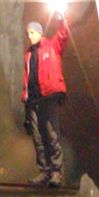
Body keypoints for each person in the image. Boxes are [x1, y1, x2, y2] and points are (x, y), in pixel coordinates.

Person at [22, 12, 70, 187]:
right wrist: (25, 97)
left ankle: (57, 172)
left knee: (51, 134)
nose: (29, 36)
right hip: (33, 99)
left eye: (32, 33)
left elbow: (63, 33)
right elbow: (28, 77)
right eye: (28, 33)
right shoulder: (28, 54)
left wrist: (62, 17)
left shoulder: (51, 46)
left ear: (40, 33)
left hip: (48, 97)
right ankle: (44, 172)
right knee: (37, 137)